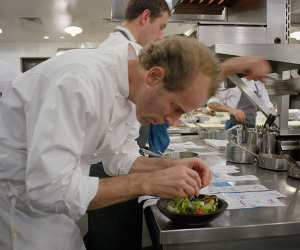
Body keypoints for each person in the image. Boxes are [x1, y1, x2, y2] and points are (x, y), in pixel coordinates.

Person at [0, 35, 271, 250]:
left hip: (52, 216)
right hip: (17, 215)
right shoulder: (77, 82)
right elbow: (48, 191)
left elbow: (119, 157)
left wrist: (168, 167)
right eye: (175, 107)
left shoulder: (131, 87)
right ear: (154, 76)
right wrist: (147, 183)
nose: (173, 121)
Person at [86, 1, 171, 249]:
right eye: (162, 26)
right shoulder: (129, 54)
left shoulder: (117, 49)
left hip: (107, 164)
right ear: (146, 17)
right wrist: (149, 181)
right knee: (113, 240)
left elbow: (121, 147)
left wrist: (166, 166)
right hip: (102, 172)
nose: (162, 34)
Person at [207, 78, 274, 129]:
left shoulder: (258, 84)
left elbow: (268, 107)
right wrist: (232, 110)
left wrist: (275, 121)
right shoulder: (231, 81)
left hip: (251, 127)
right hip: (233, 127)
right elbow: (211, 103)